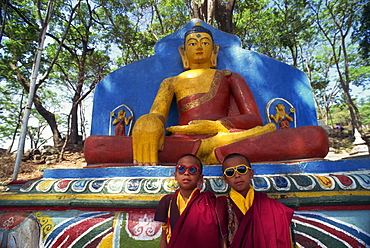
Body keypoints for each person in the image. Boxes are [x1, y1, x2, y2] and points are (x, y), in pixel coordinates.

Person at [131, 22, 329, 166]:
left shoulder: (229, 77)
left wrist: (217, 126)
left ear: (214, 50)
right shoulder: (171, 81)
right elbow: (158, 115)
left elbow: (254, 119)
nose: (199, 46)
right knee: (100, 146)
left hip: (227, 137)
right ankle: (215, 153)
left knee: (315, 137)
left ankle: (209, 151)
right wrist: (148, 123)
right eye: (192, 43)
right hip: (183, 141)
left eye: (205, 42)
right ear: (183, 52)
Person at [216, 153, 294, 248]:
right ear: (225, 179)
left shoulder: (270, 206)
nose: (237, 175)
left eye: (241, 170)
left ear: (251, 173)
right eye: (230, 172)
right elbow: (221, 238)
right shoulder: (222, 205)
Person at [154, 154, 219, 248]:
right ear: (175, 175)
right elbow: (165, 235)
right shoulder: (167, 201)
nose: (186, 173)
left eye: (192, 170)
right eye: (181, 169)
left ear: (200, 178)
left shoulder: (209, 203)